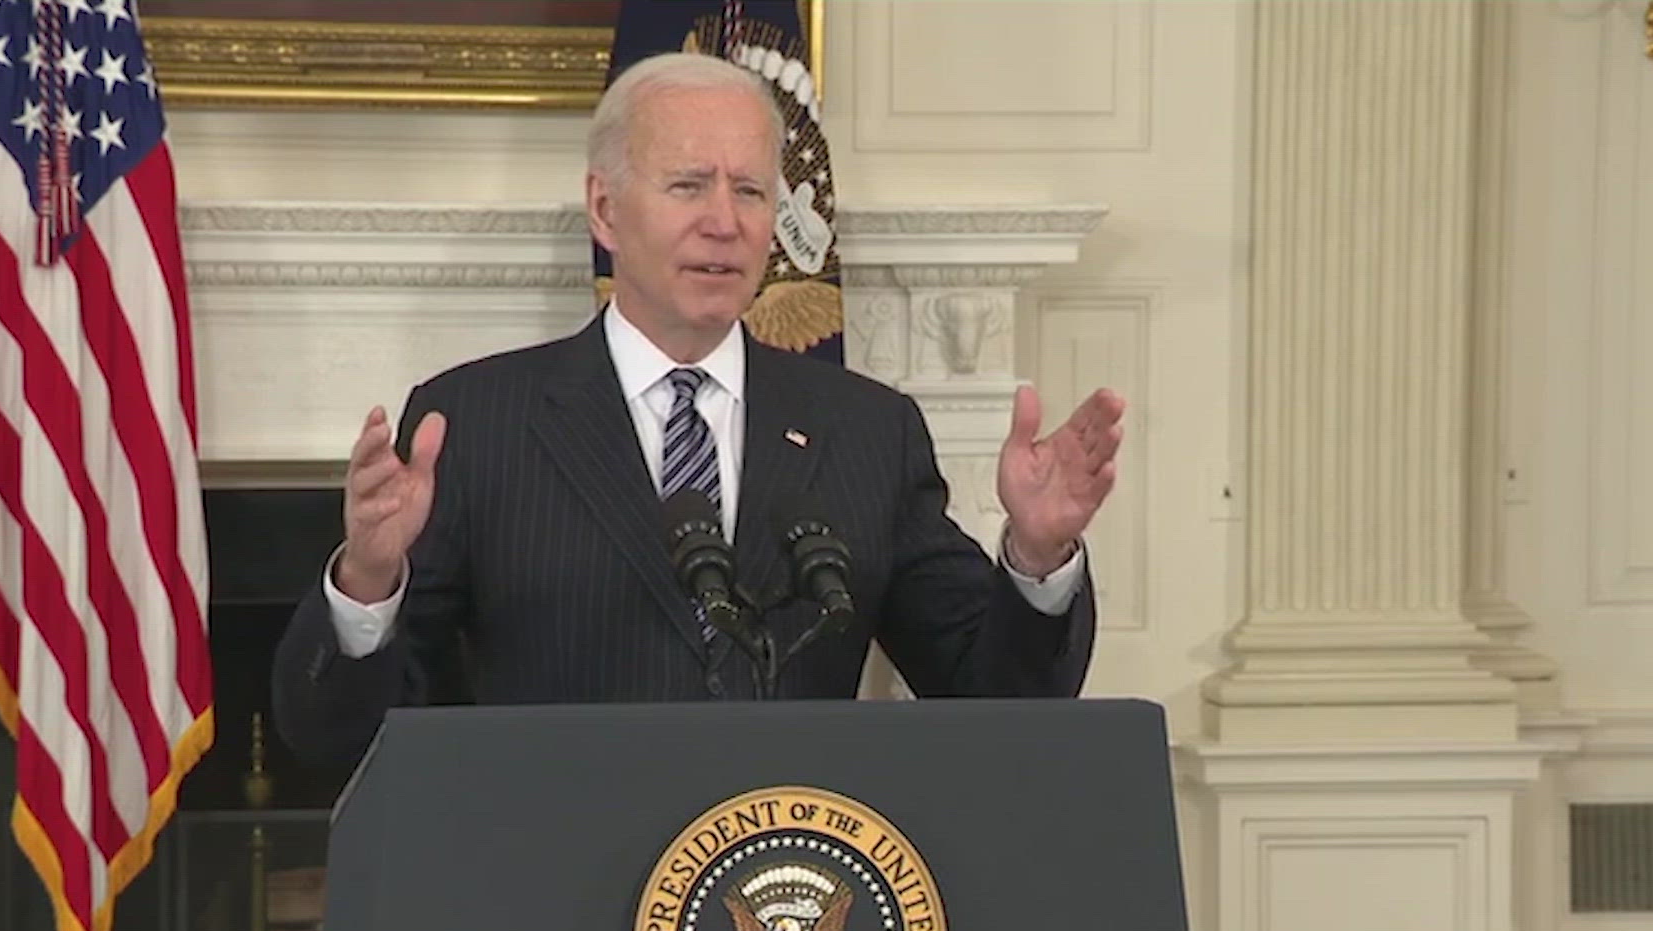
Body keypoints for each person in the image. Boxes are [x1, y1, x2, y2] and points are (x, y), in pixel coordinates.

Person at [270, 52, 1126, 770]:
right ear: (606, 209)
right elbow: (339, 740)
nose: (725, 222)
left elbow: (996, 702)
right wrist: (368, 580)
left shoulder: (868, 431)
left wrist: (1036, 556)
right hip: (550, 904)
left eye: (751, 192)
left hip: (790, 924)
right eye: (688, 185)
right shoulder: (475, 422)